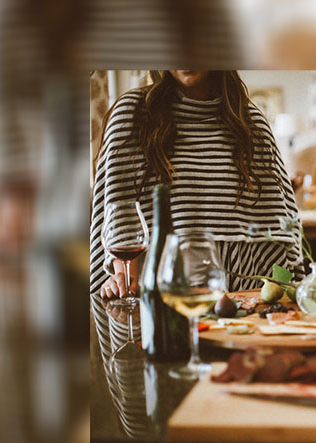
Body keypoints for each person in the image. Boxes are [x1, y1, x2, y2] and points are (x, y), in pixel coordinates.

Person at [90, 70, 304, 353]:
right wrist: (125, 276)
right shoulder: (132, 113)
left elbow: (279, 218)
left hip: (243, 297)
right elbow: (119, 210)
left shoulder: (250, 119)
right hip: (158, 292)